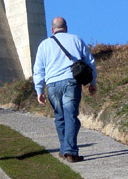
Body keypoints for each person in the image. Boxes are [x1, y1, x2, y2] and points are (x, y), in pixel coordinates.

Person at [33, 17, 97, 162]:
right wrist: (92, 82)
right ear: (66, 28)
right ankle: (70, 151)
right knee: (71, 117)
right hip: (70, 82)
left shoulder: (44, 45)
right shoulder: (76, 40)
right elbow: (90, 62)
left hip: (52, 85)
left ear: (52, 29)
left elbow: (38, 70)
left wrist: (39, 90)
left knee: (60, 117)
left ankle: (64, 149)